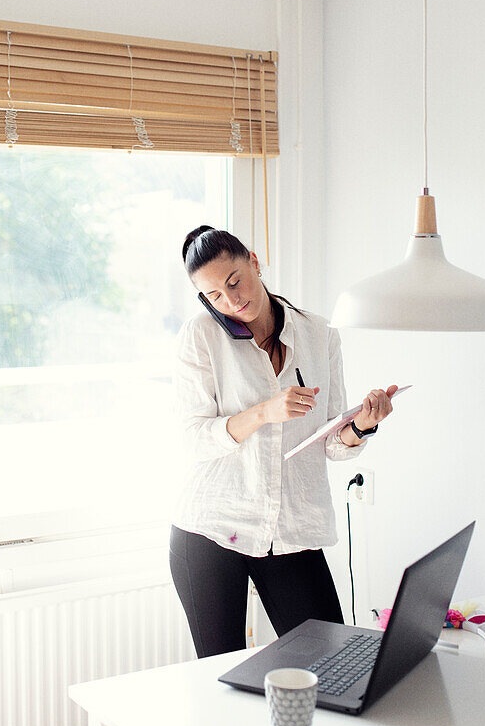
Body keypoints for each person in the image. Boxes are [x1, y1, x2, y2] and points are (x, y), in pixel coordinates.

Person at [170, 225, 397, 659]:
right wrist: (264, 412)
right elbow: (192, 439)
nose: (232, 300)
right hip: (210, 529)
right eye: (215, 295)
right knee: (219, 678)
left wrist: (362, 425)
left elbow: (328, 442)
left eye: (234, 281)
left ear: (254, 261)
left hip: (292, 529)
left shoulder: (320, 334)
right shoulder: (201, 336)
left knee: (332, 662)